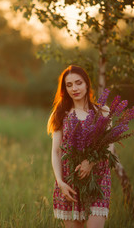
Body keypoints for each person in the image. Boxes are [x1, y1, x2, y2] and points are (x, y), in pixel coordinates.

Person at [48, 65, 112, 228]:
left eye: (78, 83)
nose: (74, 88)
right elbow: (56, 151)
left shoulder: (103, 112)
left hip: (97, 180)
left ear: (86, 84)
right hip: (70, 183)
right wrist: (60, 182)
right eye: (69, 85)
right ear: (64, 89)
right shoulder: (61, 113)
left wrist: (90, 163)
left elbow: (109, 148)